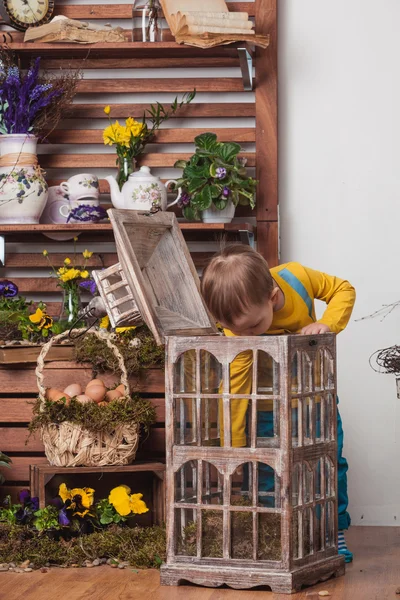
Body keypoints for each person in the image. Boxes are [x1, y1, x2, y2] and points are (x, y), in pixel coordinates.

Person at [201, 245, 356, 563]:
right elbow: (235, 387)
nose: (244, 334)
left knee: (328, 466)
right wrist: (236, 447)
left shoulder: (297, 278)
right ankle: (274, 535)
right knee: (268, 472)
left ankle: (332, 533)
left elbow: (343, 289)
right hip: (268, 405)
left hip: (315, 397)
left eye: (253, 326)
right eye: (235, 329)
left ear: (272, 297)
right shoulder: (237, 332)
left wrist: (327, 323)